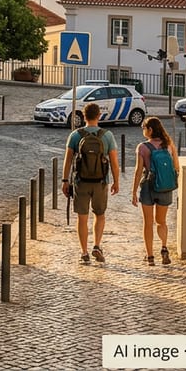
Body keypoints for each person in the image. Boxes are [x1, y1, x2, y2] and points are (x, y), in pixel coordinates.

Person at [60, 102, 120, 264]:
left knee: (82, 217)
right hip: (101, 182)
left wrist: (65, 180)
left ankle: (84, 252)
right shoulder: (107, 136)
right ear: (99, 116)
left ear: (84, 116)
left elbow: (67, 160)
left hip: (81, 181)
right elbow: (114, 162)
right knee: (99, 214)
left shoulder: (75, 135)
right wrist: (116, 181)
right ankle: (97, 245)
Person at [131, 116, 181, 266]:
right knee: (161, 221)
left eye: (144, 128)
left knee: (148, 222)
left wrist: (134, 191)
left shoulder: (143, 147)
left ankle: (150, 256)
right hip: (165, 187)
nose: (143, 131)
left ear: (150, 130)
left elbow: (138, 171)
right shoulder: (169, 144)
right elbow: (176, 167)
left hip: (148, 187)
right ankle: (164, 248)